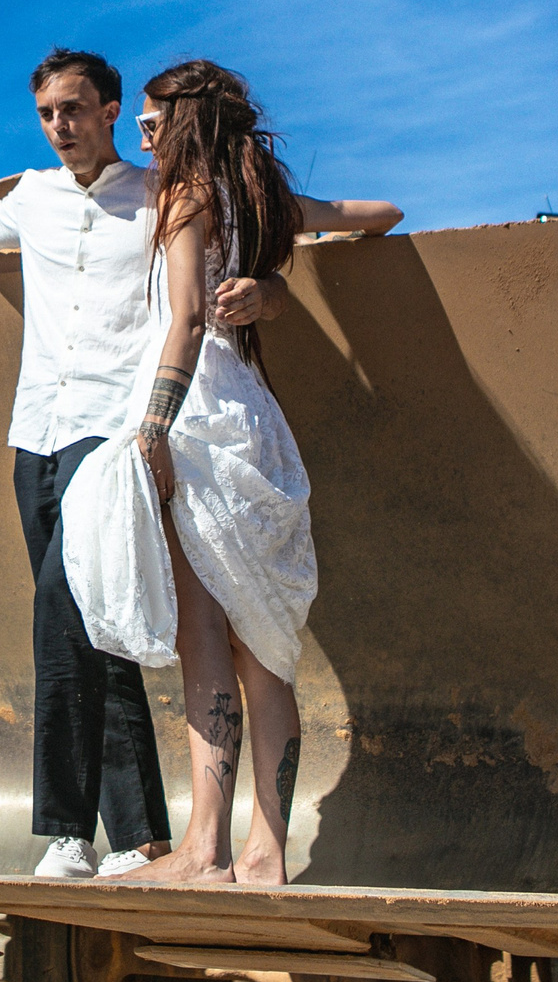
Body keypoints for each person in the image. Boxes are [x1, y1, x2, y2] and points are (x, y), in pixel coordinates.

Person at [0, 49, 283, 880]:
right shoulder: (29, 197)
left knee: (60, 611)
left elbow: (244, 250)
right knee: (95, 628)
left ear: (110, 112)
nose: (60, 125)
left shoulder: (158, 194)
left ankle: (65, 830)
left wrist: (261, 292)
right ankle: (141, 837)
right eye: (46, 114)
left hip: (113, 435)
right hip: (34, 430)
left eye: (73, 109)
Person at [64, 59, 400, 887]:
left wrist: (152, 428)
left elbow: (181, 320)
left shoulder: (182, 196)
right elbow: (382, 214)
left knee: (203, 638)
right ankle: (266, 852)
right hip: (254, 418)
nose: (142, 138)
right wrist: (269, 290)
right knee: (266, 644)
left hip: (194, 419)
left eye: (150, 125)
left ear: (183, 124)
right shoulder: (257, 197)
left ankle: (203, 847)